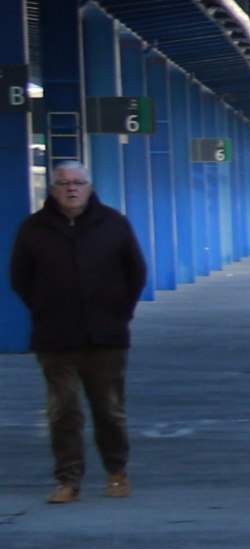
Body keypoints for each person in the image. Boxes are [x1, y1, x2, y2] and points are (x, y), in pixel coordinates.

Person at [11, 157, 145, 505]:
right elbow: (19, 278)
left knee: (109, 410)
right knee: (63, 412)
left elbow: (136, 273)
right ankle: (68, 480)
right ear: (52, 189)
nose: (71, 188)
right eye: (63, 182)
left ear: (89, 187)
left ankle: (117, 472)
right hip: (55, 339)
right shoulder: (34, 229)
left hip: (106, 338)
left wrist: (120, 314)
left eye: (77, 182)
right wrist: (45, 310)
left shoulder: (113, 224)